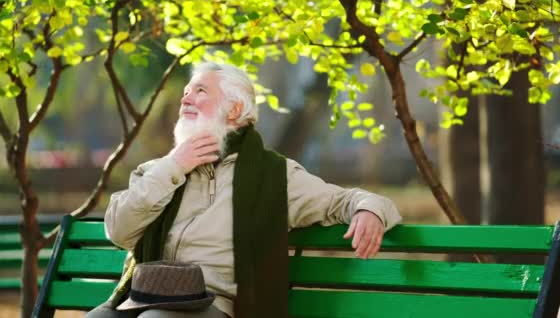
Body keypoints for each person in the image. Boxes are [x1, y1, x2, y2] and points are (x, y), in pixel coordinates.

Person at [86, 62, 402, 318]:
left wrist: (369, 210)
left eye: (199, 91)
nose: (185, 98)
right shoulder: (158, 171)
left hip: (213, 305)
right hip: (142, 296)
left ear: (235, 109)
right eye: (185, 91)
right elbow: (118, 231)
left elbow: (343, 200)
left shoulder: (275, 175)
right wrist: (173, 167)